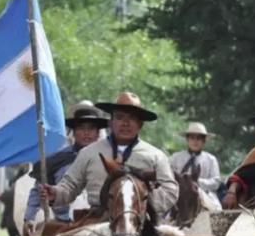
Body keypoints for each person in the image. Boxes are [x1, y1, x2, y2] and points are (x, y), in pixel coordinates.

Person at [39, 91, 178, 218]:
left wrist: (141, 203)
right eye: (119, 117)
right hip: (96, 221)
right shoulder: (89, 153)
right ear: (111, 122)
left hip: (141, 221)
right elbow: (70, 186)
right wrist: (55, 193)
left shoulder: (156, 156)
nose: (125, 123)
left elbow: (170, 190)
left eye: (132, 118)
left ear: (140, 124)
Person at [23, 104, 108, 236]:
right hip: (63, 226)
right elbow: (39, 190)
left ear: (98, 133)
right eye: (81, 128)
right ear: (73, 132)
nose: (86, 133)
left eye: (91, 128)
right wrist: (30, 217)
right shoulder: (57, 160)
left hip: (99, 225)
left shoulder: (109, 160)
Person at [170, 122, 222, 200]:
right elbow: (168, 175)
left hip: (204, 195)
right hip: (177, 193)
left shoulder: (211, 159)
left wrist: (197, 182)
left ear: (204, 141)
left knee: (216, 209)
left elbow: (216, 182)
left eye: (199, 138)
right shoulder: (176, 157)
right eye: (192, 138)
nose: (195, 141)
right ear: (187, 139)